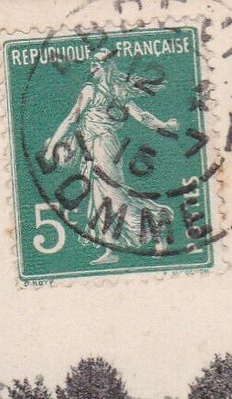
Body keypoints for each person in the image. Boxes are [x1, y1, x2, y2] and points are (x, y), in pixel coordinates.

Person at [43, 47, 179, 265]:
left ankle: (157, 227)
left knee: (113, 199)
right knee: (101, 198)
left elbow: (71, 120)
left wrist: (51, 149)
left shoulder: (99, 91)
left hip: (103, 147)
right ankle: (112, 250)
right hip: (98, 148)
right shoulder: (108, 90)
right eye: (92, 64)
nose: (93, 67)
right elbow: (141, 117)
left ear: (107, 67)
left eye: (97, 64)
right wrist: (163, 125)